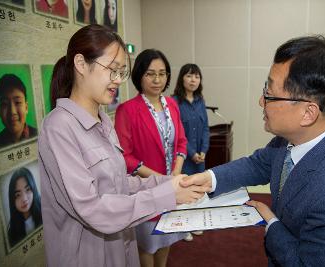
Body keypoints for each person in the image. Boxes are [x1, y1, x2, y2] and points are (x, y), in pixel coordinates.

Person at [181, 35, 325, 266]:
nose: (260, 101)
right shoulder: (302, 134)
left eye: (270, 94)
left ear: (308, 113)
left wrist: (272, 223)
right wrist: (210, 178)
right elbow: (261, 163)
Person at [38, 25, 205, 266]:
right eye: (112, 70)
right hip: (87, 256)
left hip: (120, 249)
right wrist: (167, 195)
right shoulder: (58, 127)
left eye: (121, 72)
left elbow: (118, 183)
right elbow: (92, 208)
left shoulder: (103, 120)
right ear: (81, 64)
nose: (117, 80)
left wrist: (168, 182)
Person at [115, 49, 187, 267]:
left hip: (171, 186)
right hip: (145, 188)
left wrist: (175, 171)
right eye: (150, 74)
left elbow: (181, 142)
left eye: (162, 73)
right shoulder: (127, 110)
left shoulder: (172, 105)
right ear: (139, 75)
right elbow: (124, 157)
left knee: (165, 238)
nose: (157, 80)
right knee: (147, 244)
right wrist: (159, 178)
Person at [172, 63, 209, 241]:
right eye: (189, 76)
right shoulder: (174, 102)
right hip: (184, 157)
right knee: (183, 190)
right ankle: (183, 227)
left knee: (198, 191)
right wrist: (192, 152)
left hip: (200, 157)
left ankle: (194, 223)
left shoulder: (201, 101)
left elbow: (205, 130)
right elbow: (178, 133)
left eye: (196, 76)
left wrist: (203, 150)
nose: (193, 80)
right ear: (181, 78)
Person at [0, 74, 37, 149]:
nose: (12, 112)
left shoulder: (39, 135)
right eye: (5, 104)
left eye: (17, 102)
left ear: (26, 107)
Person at [7, 167, 42, 247]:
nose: (24, 199)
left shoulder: (45, 211)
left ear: (33, 189)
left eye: (28, 189)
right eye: (18, 195)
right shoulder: (12, 232)